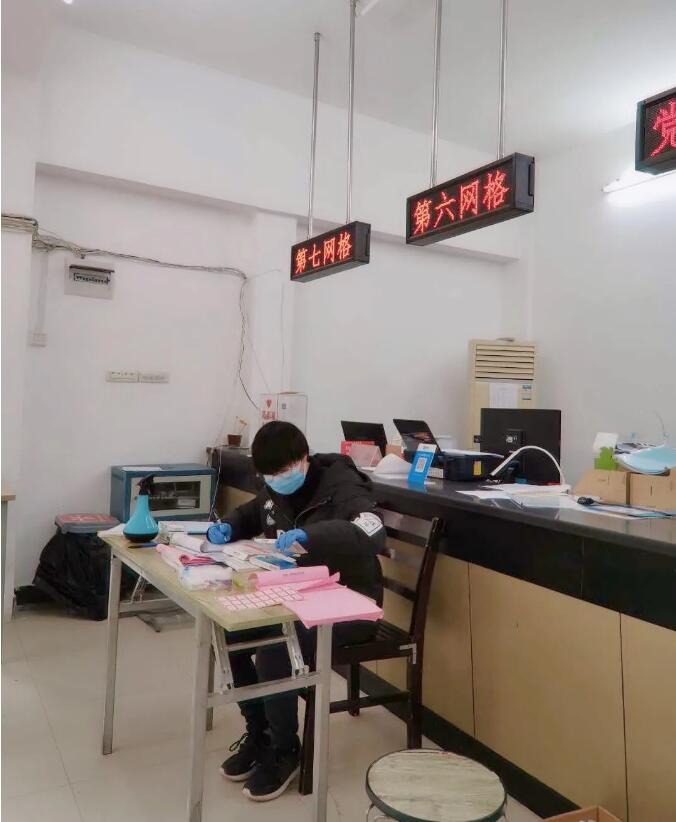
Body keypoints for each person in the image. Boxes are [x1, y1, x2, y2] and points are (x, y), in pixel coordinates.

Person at [207, 420, 385, 802]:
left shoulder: (341, 484)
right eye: (268, 476)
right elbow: (253, 512)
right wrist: (228, 526)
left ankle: (286, 750)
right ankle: (259, 734)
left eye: (283, 472)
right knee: (230, 632)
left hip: (350, 603)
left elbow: (373, 531)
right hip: (299, 596)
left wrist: (312, 536)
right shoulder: (276, 485)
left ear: (304, 458)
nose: (276, 481)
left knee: (275, 650)